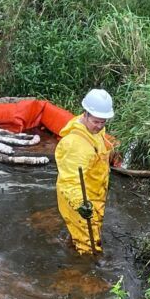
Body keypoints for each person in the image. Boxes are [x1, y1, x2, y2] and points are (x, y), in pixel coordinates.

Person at [55, 88, 115, 254]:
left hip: (95, 193)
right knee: (89, 247)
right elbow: (70, 181)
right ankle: (83, 276)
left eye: (103, 122)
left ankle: (72, 244)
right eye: (96, 122)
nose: (99, 126)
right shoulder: (75, 145)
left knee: (86, 234)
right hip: (81, 199)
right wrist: (80, 204)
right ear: (85, 114)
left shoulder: (95, 130)